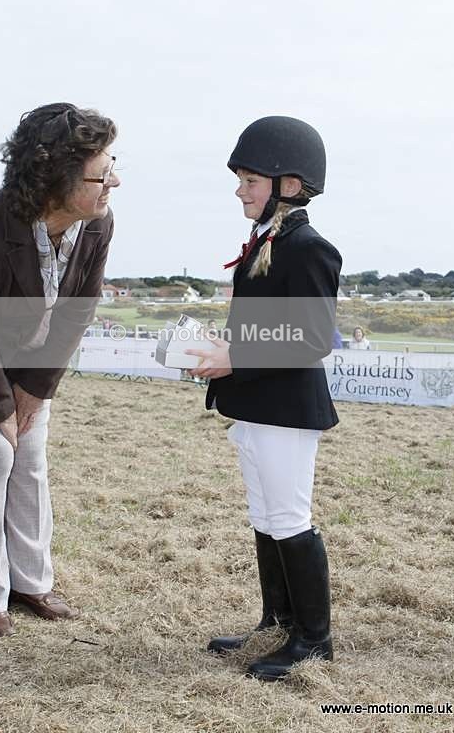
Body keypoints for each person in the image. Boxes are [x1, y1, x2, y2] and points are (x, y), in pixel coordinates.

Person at [0, 102, 119, 637]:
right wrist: (0, 409)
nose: (115, 182)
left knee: (31, 460)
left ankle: (32, 583)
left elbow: (76, 312)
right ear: (57, 178)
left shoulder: (97, 224)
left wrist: (34, 392)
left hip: (26, 362)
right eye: (103, 174)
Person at [187, 116, 342, 681]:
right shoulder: (268, 239)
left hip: (286, 407)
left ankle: (313, 640)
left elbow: (313, 335)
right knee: (264, 515)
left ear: (290, 185)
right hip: (256, 403)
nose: (240, 189)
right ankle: (277, 621)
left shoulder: (308, 247)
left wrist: (237, 356)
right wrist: (221, 346)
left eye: (250, 180)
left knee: (288, 516)